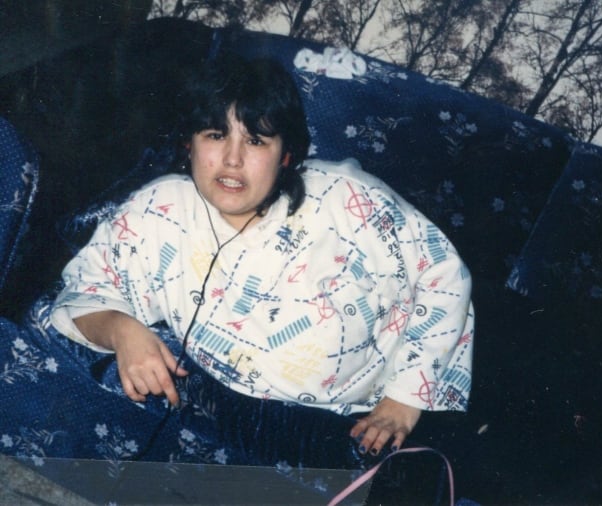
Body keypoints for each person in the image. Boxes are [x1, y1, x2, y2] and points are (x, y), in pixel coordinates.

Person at [51, 53, 474, 458]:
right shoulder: (160, 208)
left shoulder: (346, 199)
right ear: (189, 144)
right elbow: (84, 290)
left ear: (286, 154)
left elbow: (443, 275)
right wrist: (122, 330)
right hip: (226, 413)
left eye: (255, 140)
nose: (232, 160)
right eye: (216, 135)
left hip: (348, 416)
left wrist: (404, 400)